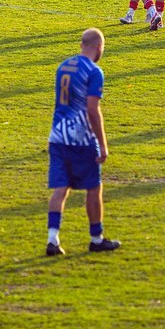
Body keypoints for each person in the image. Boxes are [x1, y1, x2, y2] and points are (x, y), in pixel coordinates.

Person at [46, 28, 120, 256]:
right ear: (99, 47)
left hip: (58, 136)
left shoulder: (63, 66)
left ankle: (52, 239)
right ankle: (96, 239)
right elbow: (92, 110)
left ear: (81, 45)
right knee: (93, 187)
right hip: (81, 138)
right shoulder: (94, 71)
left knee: (61, 188)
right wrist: (103, 144)